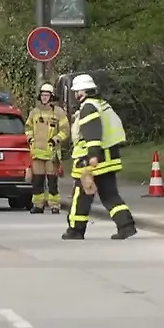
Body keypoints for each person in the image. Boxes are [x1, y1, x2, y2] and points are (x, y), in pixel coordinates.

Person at [62, 74, 136, 240]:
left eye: (76, 92)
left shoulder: (88, 107)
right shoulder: (102, 104)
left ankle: (75, 230)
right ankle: (126, 226)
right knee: (109, 194)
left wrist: (93, 156)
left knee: (81, 195)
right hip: (109, 157)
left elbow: (92, 132)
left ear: (81, 92)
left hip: (93, 159)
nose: (75, 96)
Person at [25, 83, 68, 214]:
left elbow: (65, 130)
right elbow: (28, 128)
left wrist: (56, 139)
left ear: (51, 97)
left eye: (47, 95)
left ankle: (54, 205)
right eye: (42, 95)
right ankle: (38, 205)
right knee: (37, 181)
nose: (44, 98)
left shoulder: (58, 113)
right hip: (37, 153)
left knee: (52, 182)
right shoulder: (34, 112)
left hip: (51, 153)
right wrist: (30, 139)